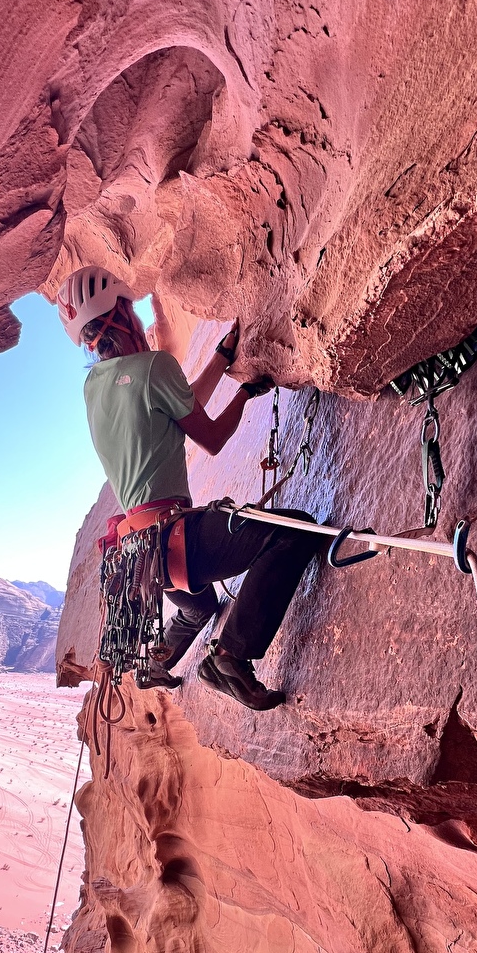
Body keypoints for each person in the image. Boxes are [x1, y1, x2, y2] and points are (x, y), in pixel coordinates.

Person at [56, 266, 324, 711]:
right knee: (292, 533)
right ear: (124, 313)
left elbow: (176, 402)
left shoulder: (93, 387)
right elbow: (212, 438)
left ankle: (157, 663)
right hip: (176, 540)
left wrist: (221, 357)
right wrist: (245, 393)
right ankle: (230, 658)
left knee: (201, 606)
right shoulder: (152, 366)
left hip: (140, 559)